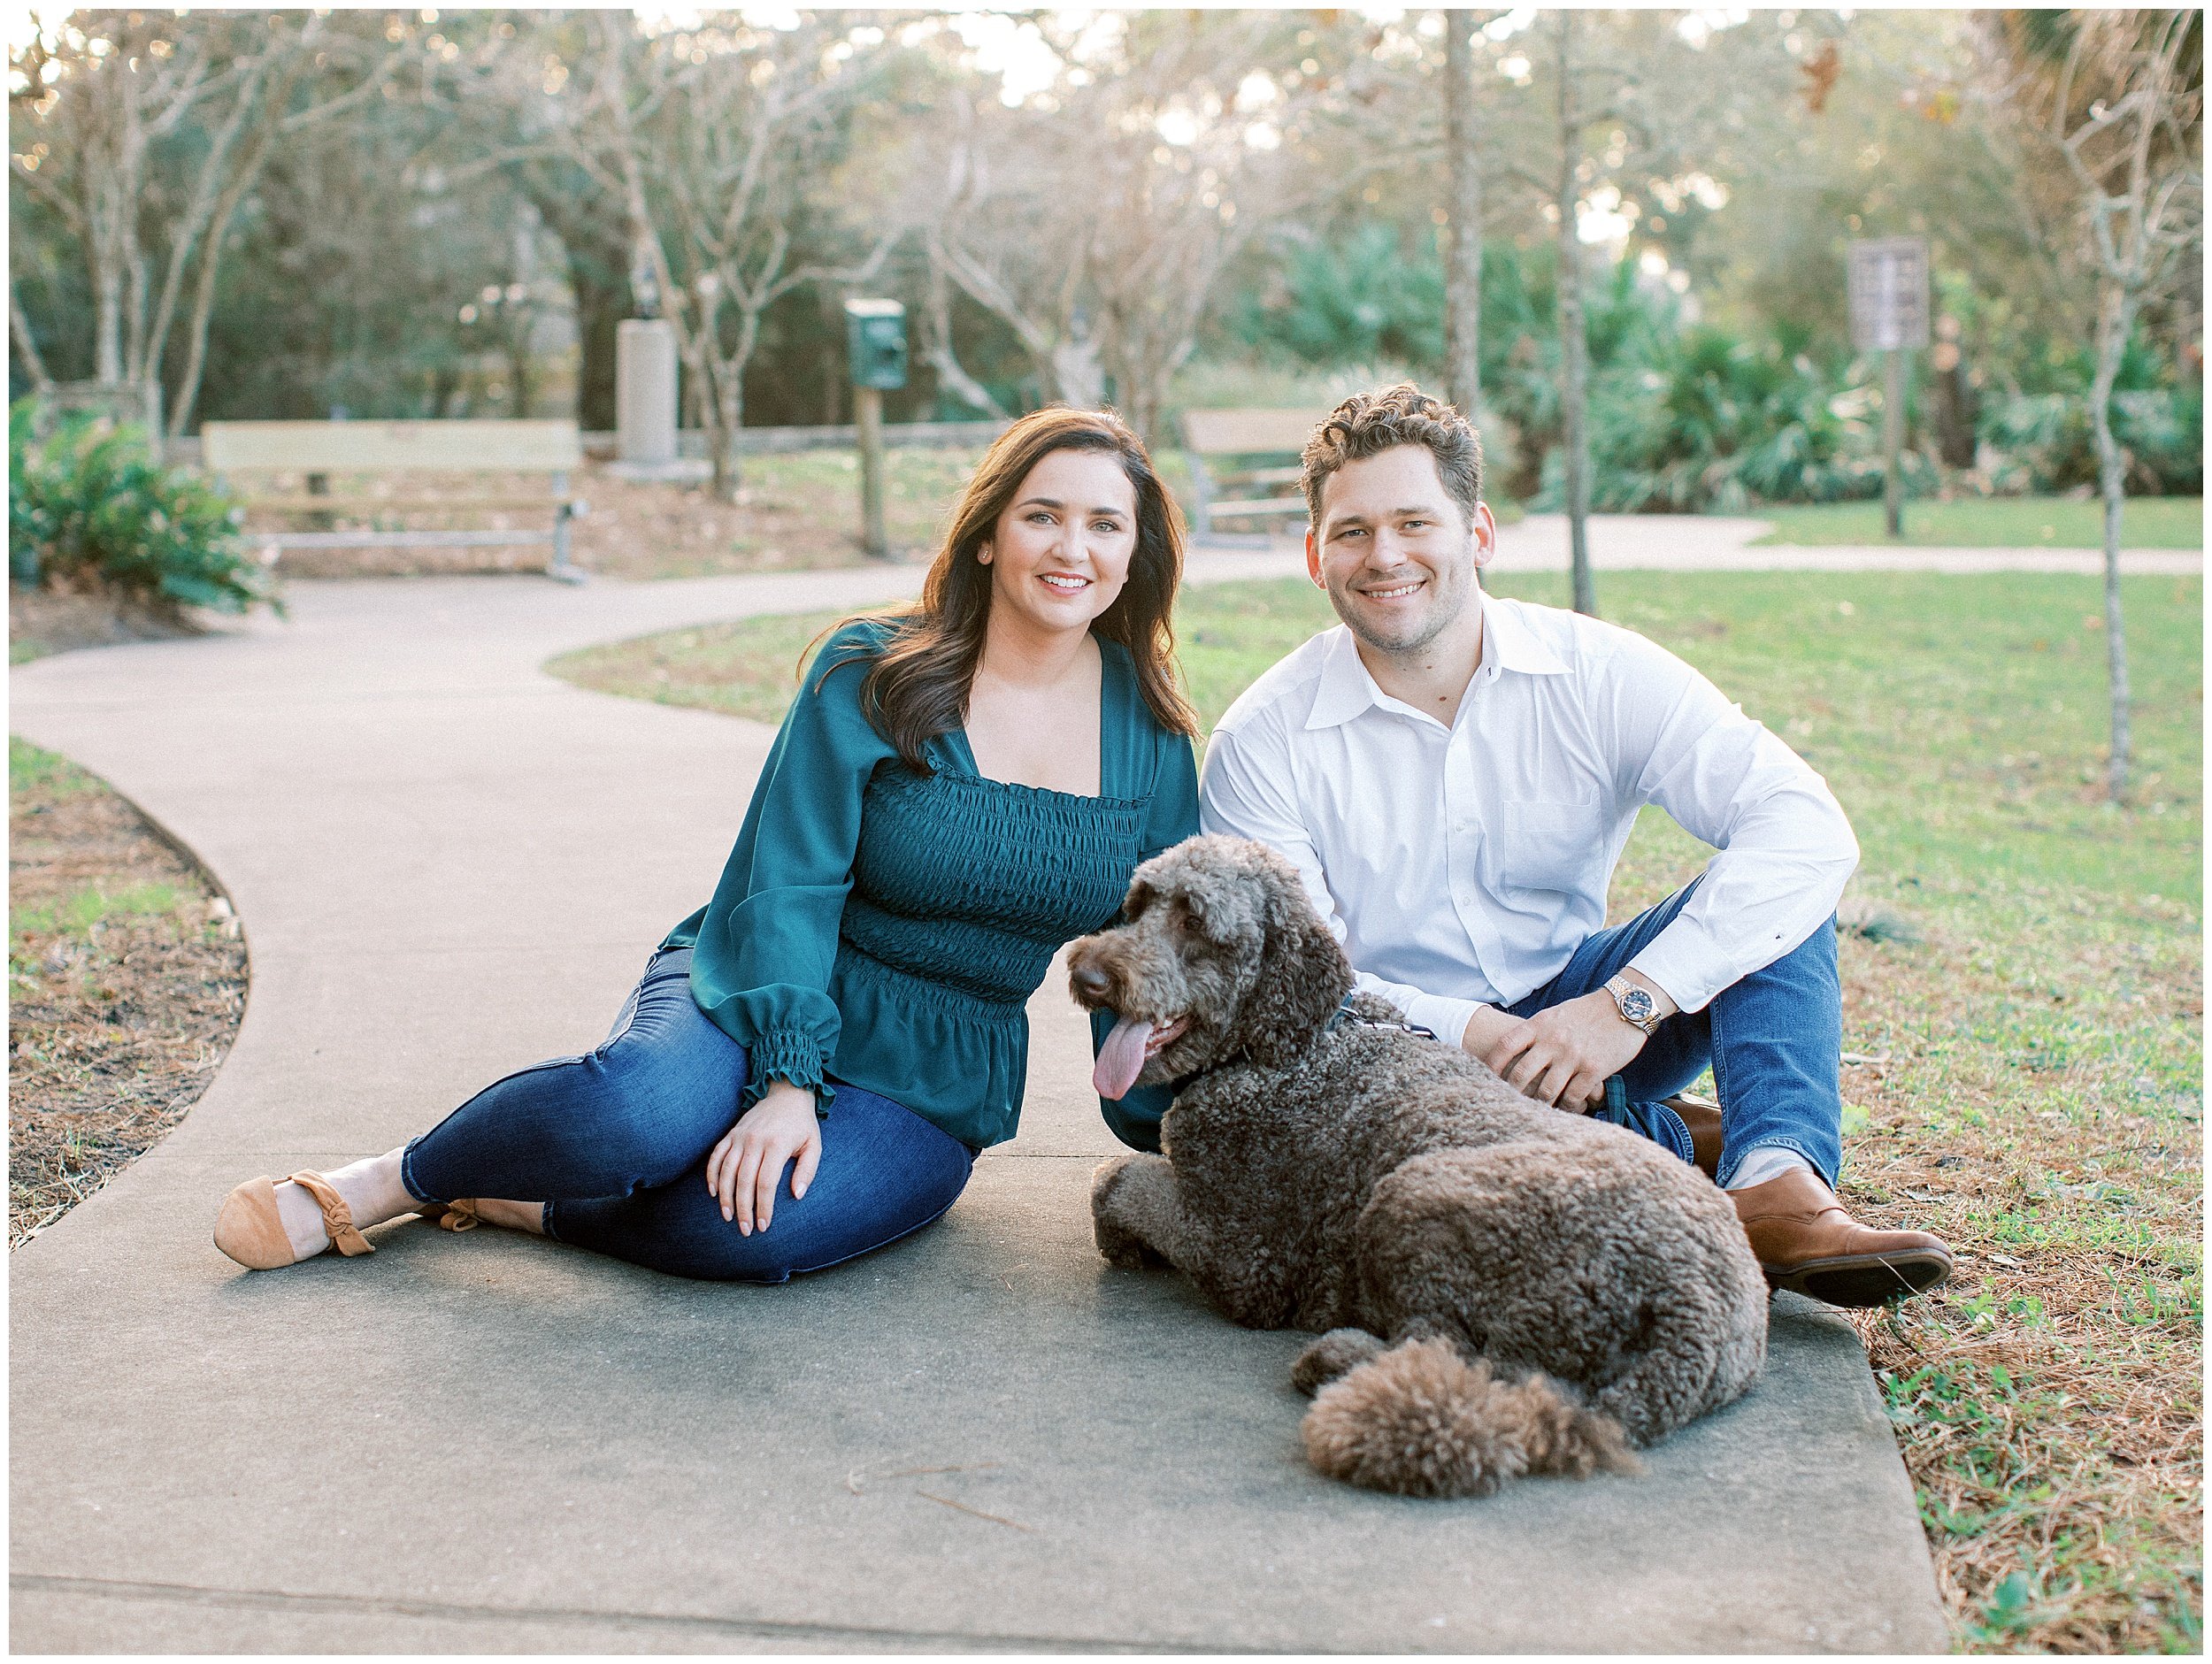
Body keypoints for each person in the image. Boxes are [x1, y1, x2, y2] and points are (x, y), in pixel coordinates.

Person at [213, 407, 1201, 1281]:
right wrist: (786, 1082)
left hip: (932, 1072)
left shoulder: (1151, 740)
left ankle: (525, 1198)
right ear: (988, 535)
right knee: (632, 1121)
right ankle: (396, 1179)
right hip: (758, 977)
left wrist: (1174, 1135)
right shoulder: (875, 671)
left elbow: (1148, 965)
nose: (1071, 546)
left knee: (744, 1232)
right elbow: (790, 883)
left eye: (1104, 524)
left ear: (1132, 554)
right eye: (1043, 514)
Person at [1197, 384, 1952, 1308]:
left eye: (1413, 522)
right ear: (1315, 556)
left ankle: (1771, 1182)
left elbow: (1803, 825)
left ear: (1476, 535)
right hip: (1391, 1053)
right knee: (1378, 1158)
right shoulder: (1262, 739)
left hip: (1583, 1009)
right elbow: (1298, 984)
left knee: (1782, 891)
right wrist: (1475, 1033)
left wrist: (1624, 1007)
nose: (1384, 555)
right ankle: (1663, 1140)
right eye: (1352, 532)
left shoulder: (1595, 673)